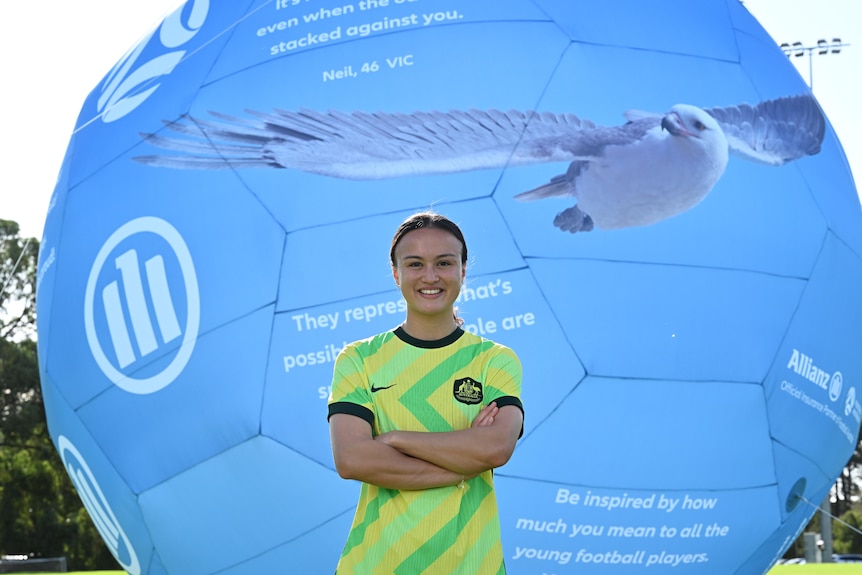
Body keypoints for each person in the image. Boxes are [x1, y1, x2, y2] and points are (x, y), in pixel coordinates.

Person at [327, 211, 524, 574]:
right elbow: (352, 460)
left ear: (463, 270)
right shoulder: (359, 359)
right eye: (415, 263)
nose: (430, 276)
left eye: (444, 263)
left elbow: (496, 447)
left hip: (472, 565)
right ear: (396, 272)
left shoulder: (494, 360)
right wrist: (465, 461)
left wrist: (395, 438)